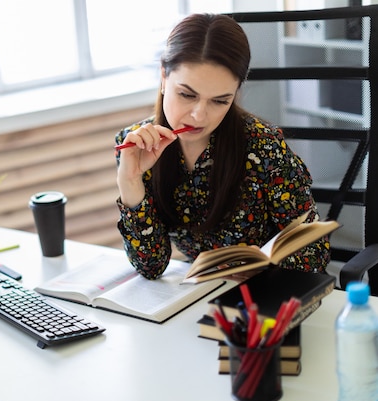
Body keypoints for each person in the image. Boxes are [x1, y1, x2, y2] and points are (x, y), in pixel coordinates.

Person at [115, 13, 331, 280]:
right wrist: (130, 182)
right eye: (186, 94)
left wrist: (263, 269)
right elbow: (151, 267)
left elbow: (314, 252)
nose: (199, 115)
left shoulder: (263, 147)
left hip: (262, 299)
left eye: (219, 101)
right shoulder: (138, 147)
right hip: (199, 295)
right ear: (163, 77)